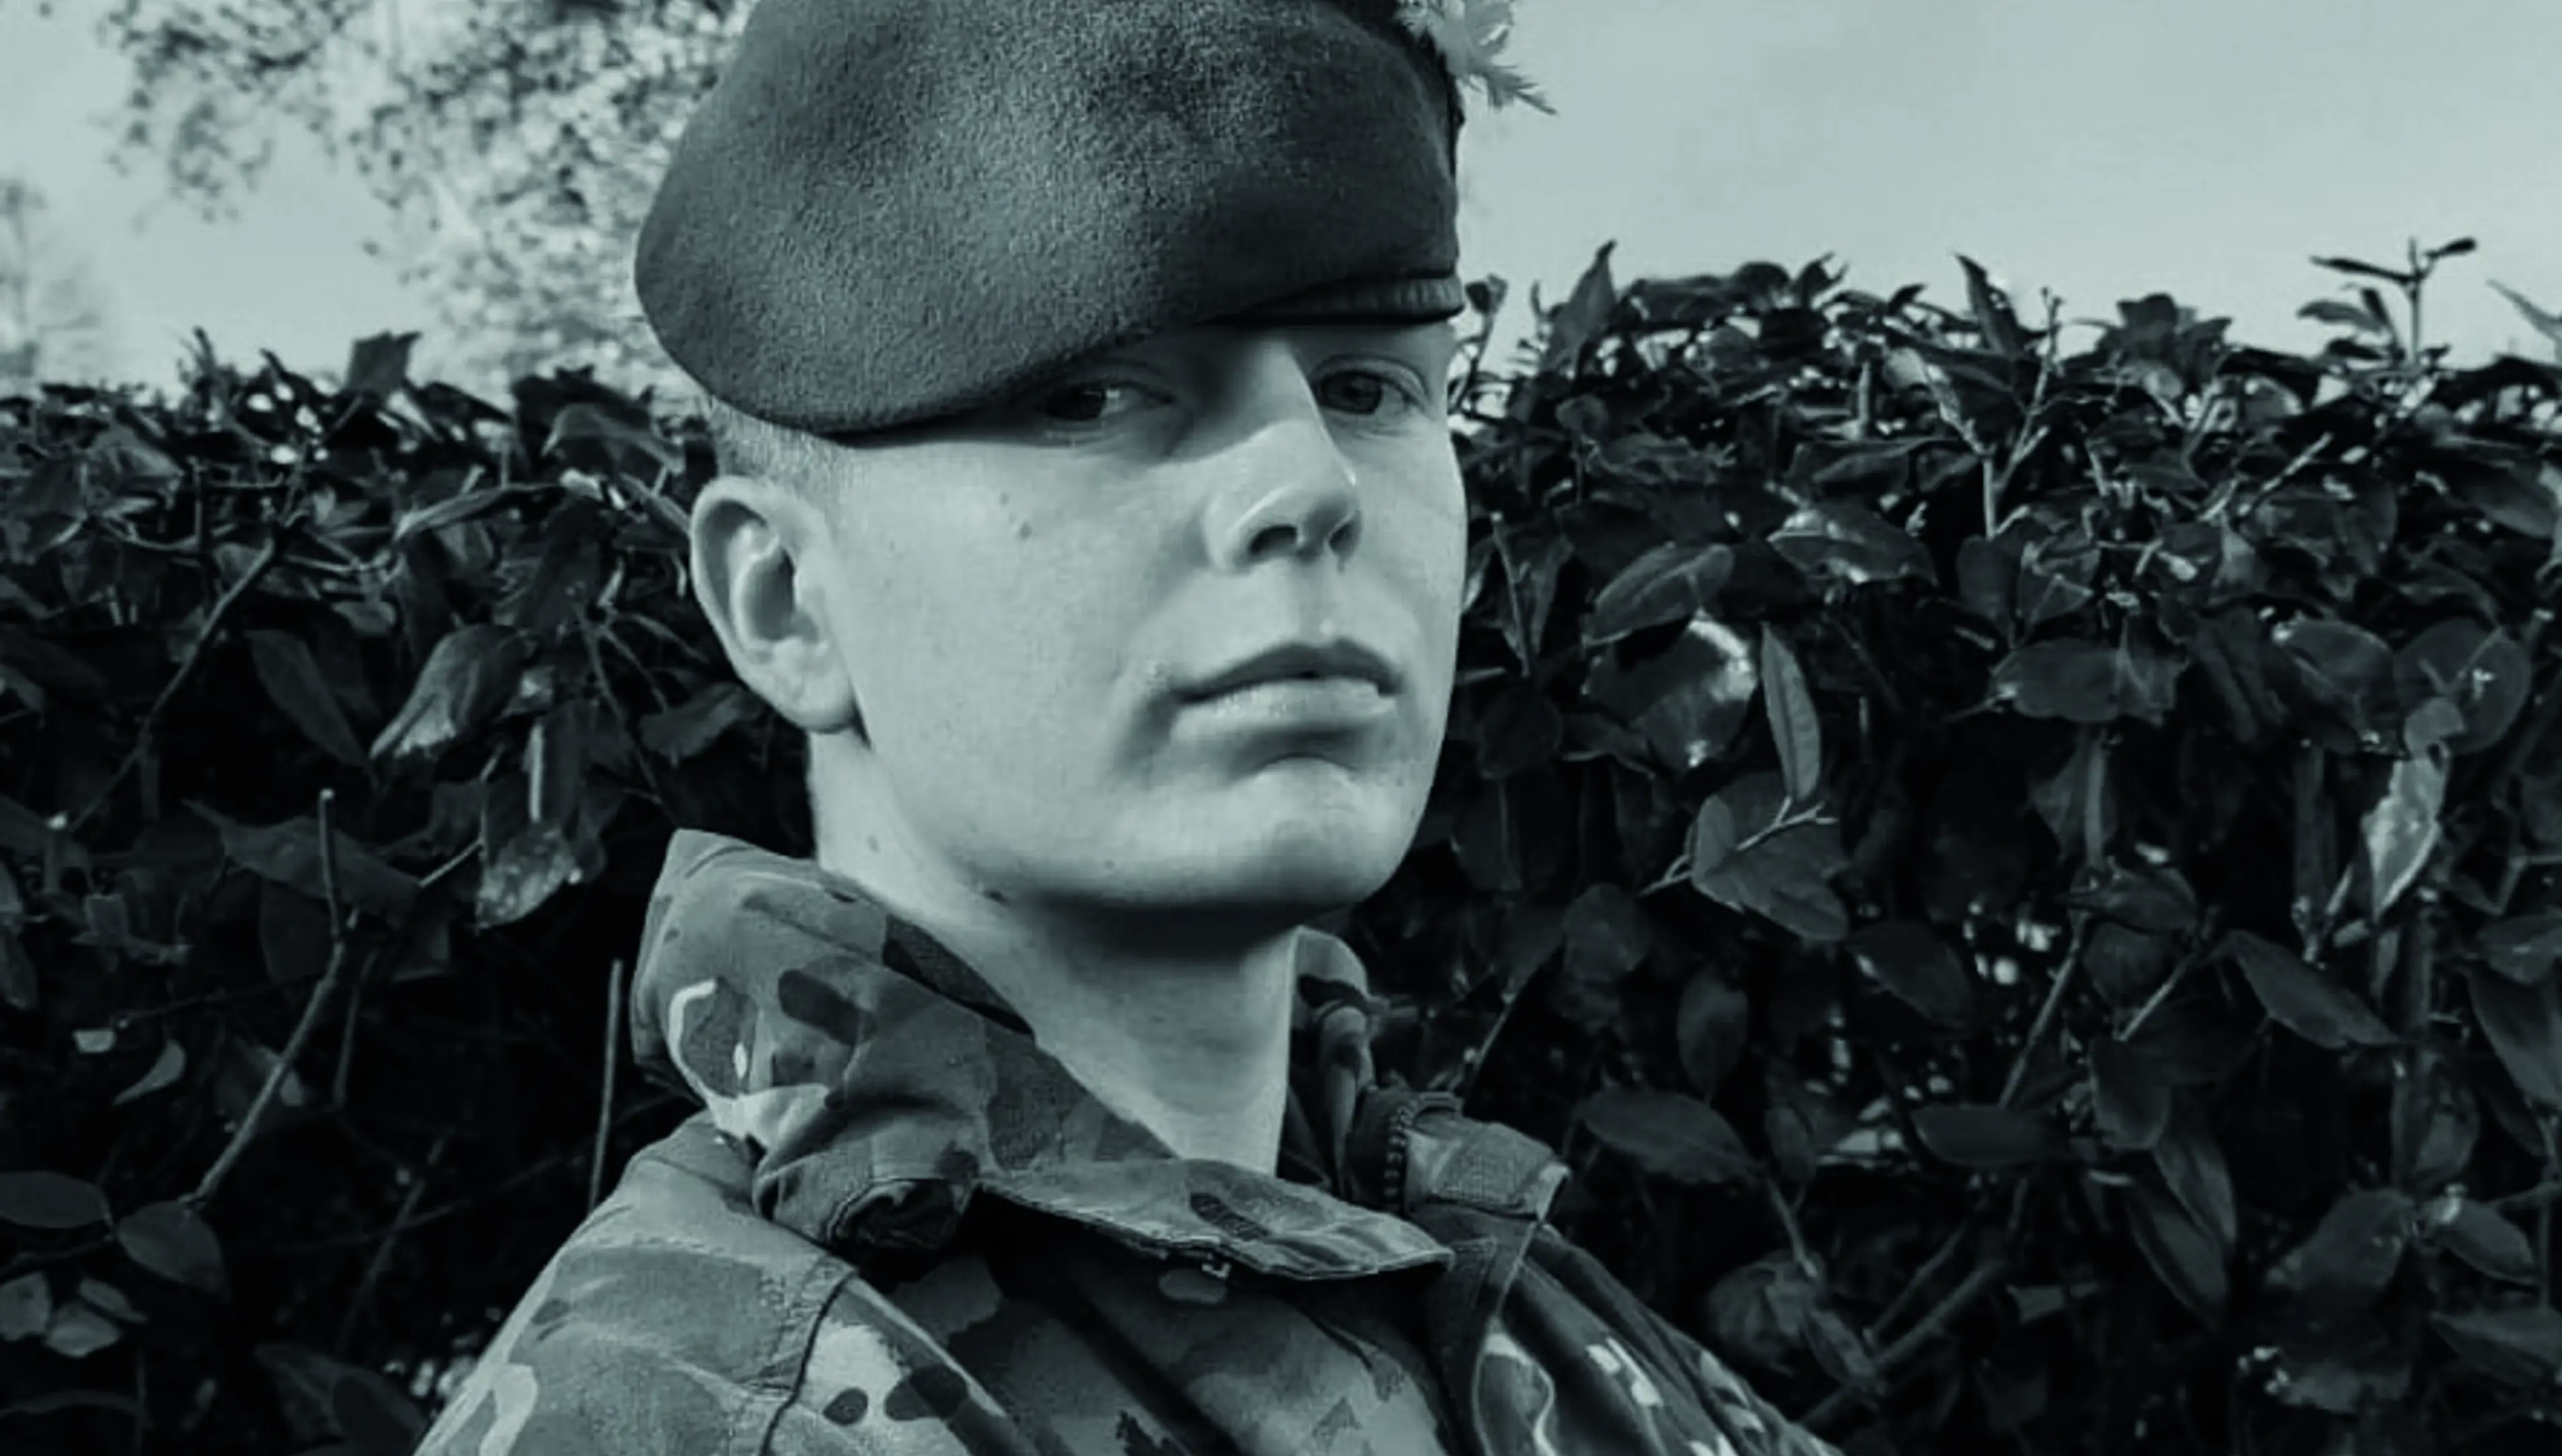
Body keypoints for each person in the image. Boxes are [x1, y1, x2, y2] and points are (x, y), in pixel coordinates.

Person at [414, 1, 1844, 1452]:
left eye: (1368, 388)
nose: (1310, 481)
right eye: (1092, 394)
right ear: (787, 600)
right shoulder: (702, 1414)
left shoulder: (1490, 1277)